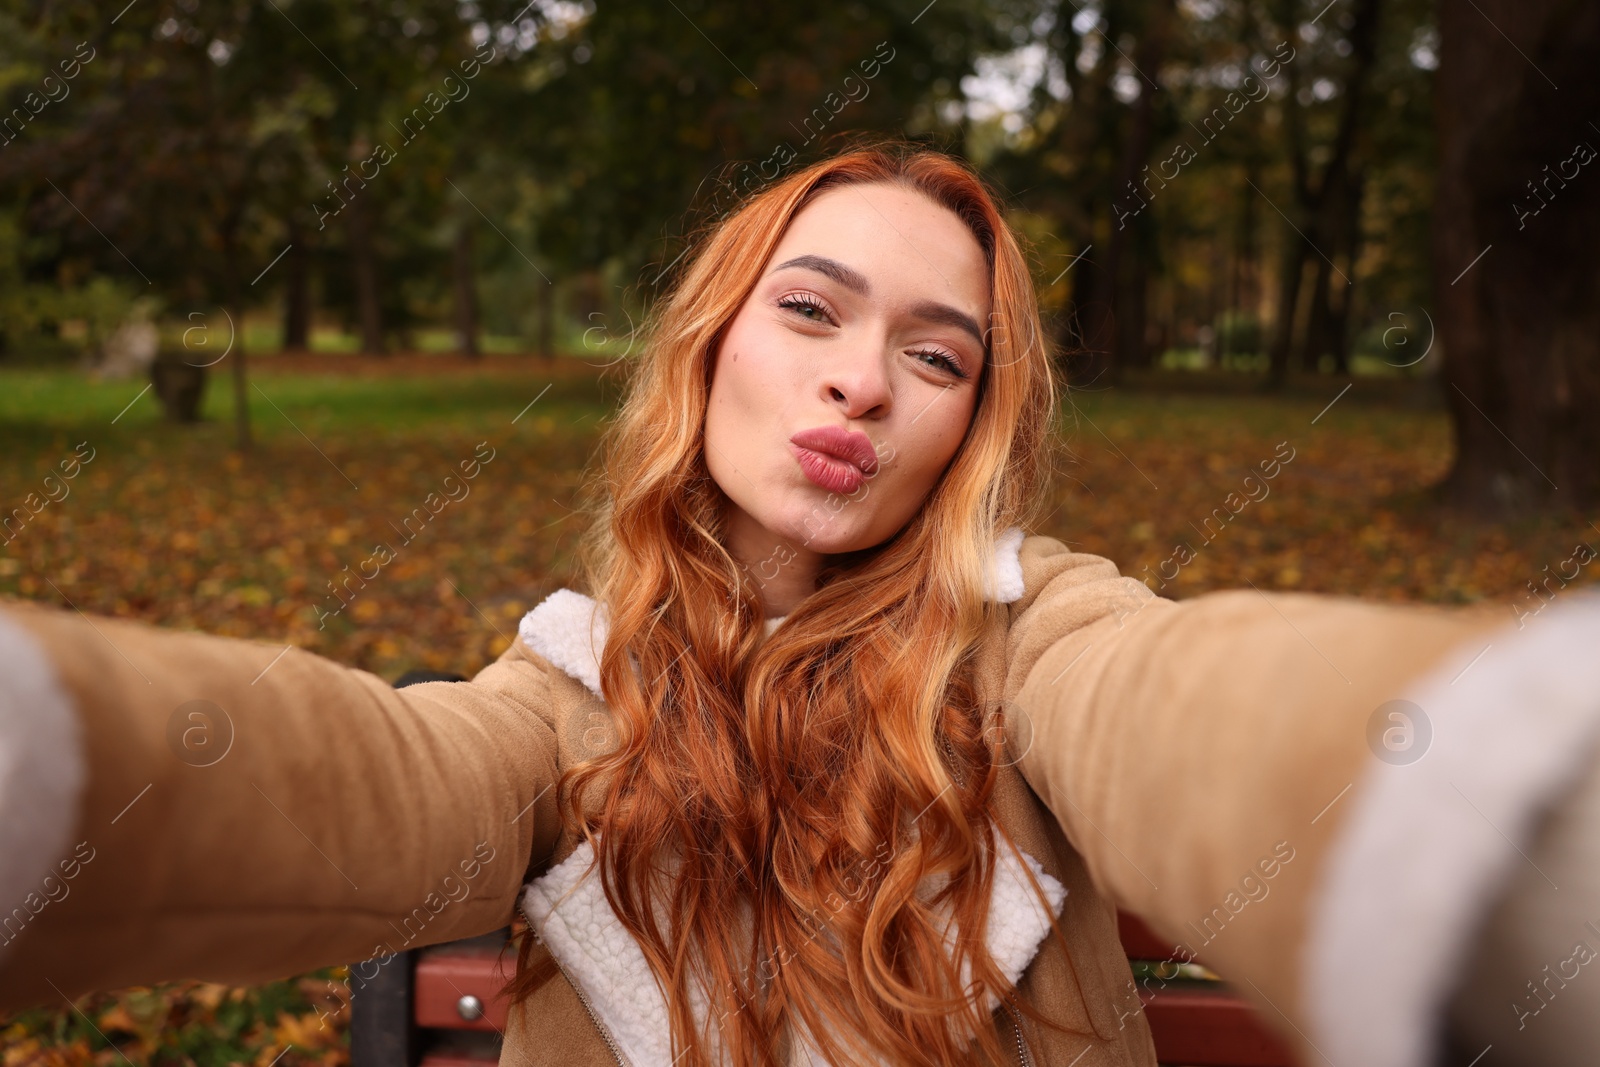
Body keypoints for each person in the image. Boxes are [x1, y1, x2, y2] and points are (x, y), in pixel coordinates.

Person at [1, 141, 1598, 1067]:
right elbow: (369, 782)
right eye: (814, 310)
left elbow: (1175, 705)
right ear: (711, 347)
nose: (860, 377)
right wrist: (49, 759)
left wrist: (1487, 796)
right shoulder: (568, 694)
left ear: (972, 426)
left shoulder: (1027, 635)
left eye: (935, 353)